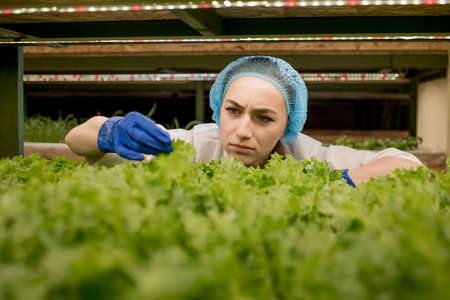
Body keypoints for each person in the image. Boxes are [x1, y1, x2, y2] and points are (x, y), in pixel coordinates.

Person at [65, 56, 422, 187]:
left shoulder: (305, 154)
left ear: (288, 125)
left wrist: (340, 182)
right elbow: (77, 138)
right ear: (218, 108)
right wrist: (110, 131)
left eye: (264, 118)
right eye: (233, 111)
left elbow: (408, 162)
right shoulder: (198, 144)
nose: (242, 131)